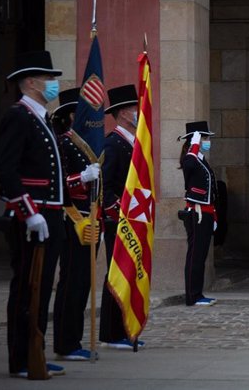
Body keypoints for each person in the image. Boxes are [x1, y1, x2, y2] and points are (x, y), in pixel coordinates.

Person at [0, 50, 66, 377]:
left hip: (49, 215)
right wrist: (29, 211)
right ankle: (21, 359)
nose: (54, 83)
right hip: (32, 217)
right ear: (30, 81)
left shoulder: (41, 118)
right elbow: (6, 170)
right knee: (26, 288)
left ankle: (34, 351)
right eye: (49, 78)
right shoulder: (19, 116)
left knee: (40, 288)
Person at [51, 88, 101, 361]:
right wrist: (81, 176)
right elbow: (58, 183)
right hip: (72, 219)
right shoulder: (63, 143)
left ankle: (74, 339)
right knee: (72, 281)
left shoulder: (86, 145)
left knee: (83, 283)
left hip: (90, 220)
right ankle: (65, 342)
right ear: (72, 115)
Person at [99, 84, 144, 349]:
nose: (139, 112)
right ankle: (112, 332)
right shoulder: (113, 144)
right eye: (135, 108)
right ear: (125, 113)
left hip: (132, 220)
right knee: (116, 274)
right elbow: (105, 186)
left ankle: (126, 328)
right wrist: (119, 210)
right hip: (118, 220)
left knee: (129, 273)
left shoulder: (134, 143)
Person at [178, 121, 218, 306]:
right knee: (194, 255)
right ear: (197, 139)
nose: (208, 141)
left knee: (200, 255)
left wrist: (215, 215)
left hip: (207, 211)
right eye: (205, 137)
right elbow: (189, 167)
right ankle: (192, 296)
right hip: (197, 213)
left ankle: (198, 293)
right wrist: (193, 145)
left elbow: (211, 190)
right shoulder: (190, 157)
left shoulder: (200, 159)